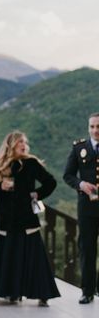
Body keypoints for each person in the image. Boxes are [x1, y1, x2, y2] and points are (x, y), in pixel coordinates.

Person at [0, 131, 60, 306]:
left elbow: (51, 182)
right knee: (10, 256)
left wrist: (36, 194)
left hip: (27, 219)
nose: (24, 144)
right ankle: (12, 292)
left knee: (35, 257)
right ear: (11, 144)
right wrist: (0, 186)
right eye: (20, 141)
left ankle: (43, 293)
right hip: (7, 219)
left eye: (25, 142)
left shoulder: (31, 163)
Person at [63, 113, 99, 304]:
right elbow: (67, 175)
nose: (95, 130)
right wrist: (81, 184)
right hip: (87, 208)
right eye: (92, 126)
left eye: (98, 127)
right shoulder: (79, 147)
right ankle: (87, 291)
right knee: (87, 249)